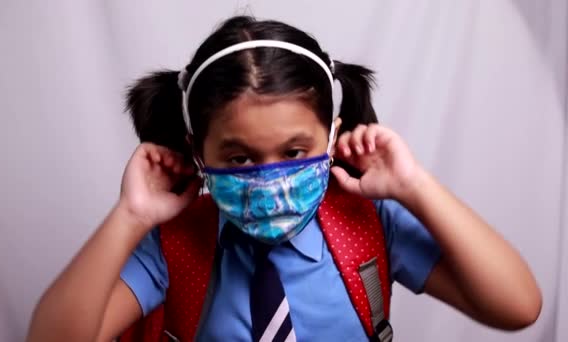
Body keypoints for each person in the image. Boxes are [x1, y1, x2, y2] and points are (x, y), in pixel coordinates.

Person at [27, 16, 541, 342]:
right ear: (196, 152)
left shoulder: (368, 224)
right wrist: (131, 216)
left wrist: (415, 188)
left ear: (333, 134)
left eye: (295, 151)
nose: (271, 179)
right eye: (240, 158)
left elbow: (518, 307)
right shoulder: (175, 244)